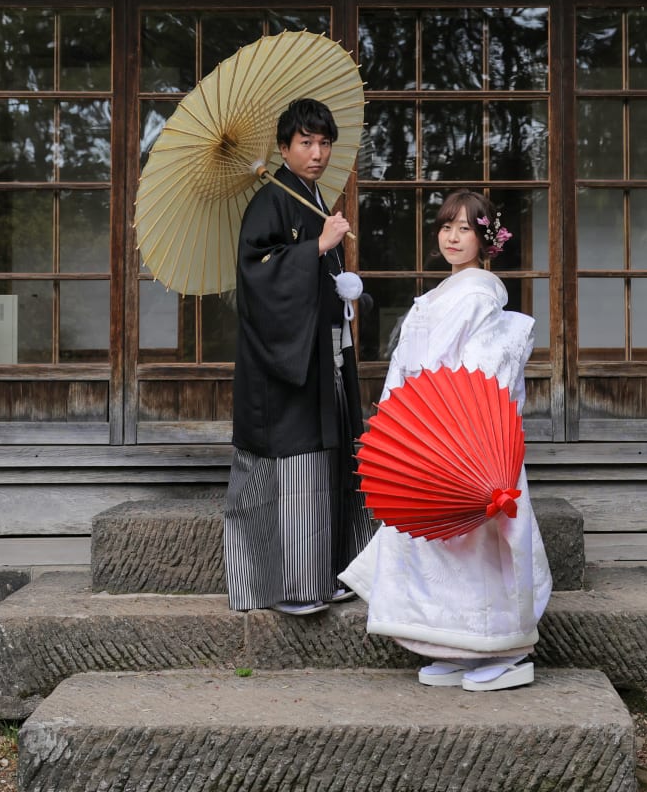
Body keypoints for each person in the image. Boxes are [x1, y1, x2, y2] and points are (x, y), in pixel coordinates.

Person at [340, 189, 553, 692]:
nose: (454, 237)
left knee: (476, 548)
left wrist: (431, 412)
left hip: (464, 434)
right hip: (430, 427)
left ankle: (503, 652)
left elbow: (472, 370)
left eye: (466, 229)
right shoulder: (443, 292)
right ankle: (454, 648)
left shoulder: (479, 293)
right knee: (438, 546)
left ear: (486, 239)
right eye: (446, 227)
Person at [224, 98, 373, 616]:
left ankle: (332, 574)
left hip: (322, 359)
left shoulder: (314, 200)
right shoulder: (271, 201)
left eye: (324, 142)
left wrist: (351, 295)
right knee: (294, 471)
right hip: (283, 370)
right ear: (283, 148)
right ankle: (287, 586)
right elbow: (256, 276)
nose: (317, 152)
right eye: (306, 142)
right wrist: (315, 248)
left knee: (329, 464)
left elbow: (328, 288)